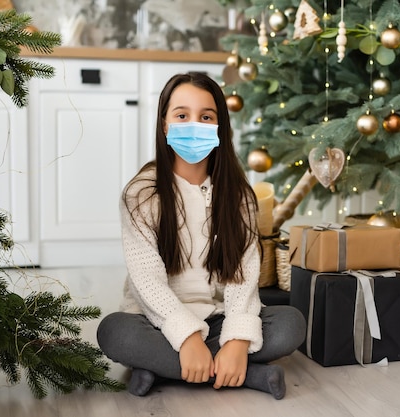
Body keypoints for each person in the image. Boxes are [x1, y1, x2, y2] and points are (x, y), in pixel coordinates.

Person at [97, 72, 306, 400]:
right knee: (114, 332)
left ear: (220, 126)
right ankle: (246, 374)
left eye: (206, 117)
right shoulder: (141, 194)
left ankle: (163, 368)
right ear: (164, 124)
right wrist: (188, 337)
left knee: (290, 323)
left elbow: (243, 277)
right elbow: (146, 281)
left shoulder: (240, 198)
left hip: (219, 317)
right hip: (156, 322)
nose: (194, 124)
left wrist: (237, 340)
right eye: (182, 115)